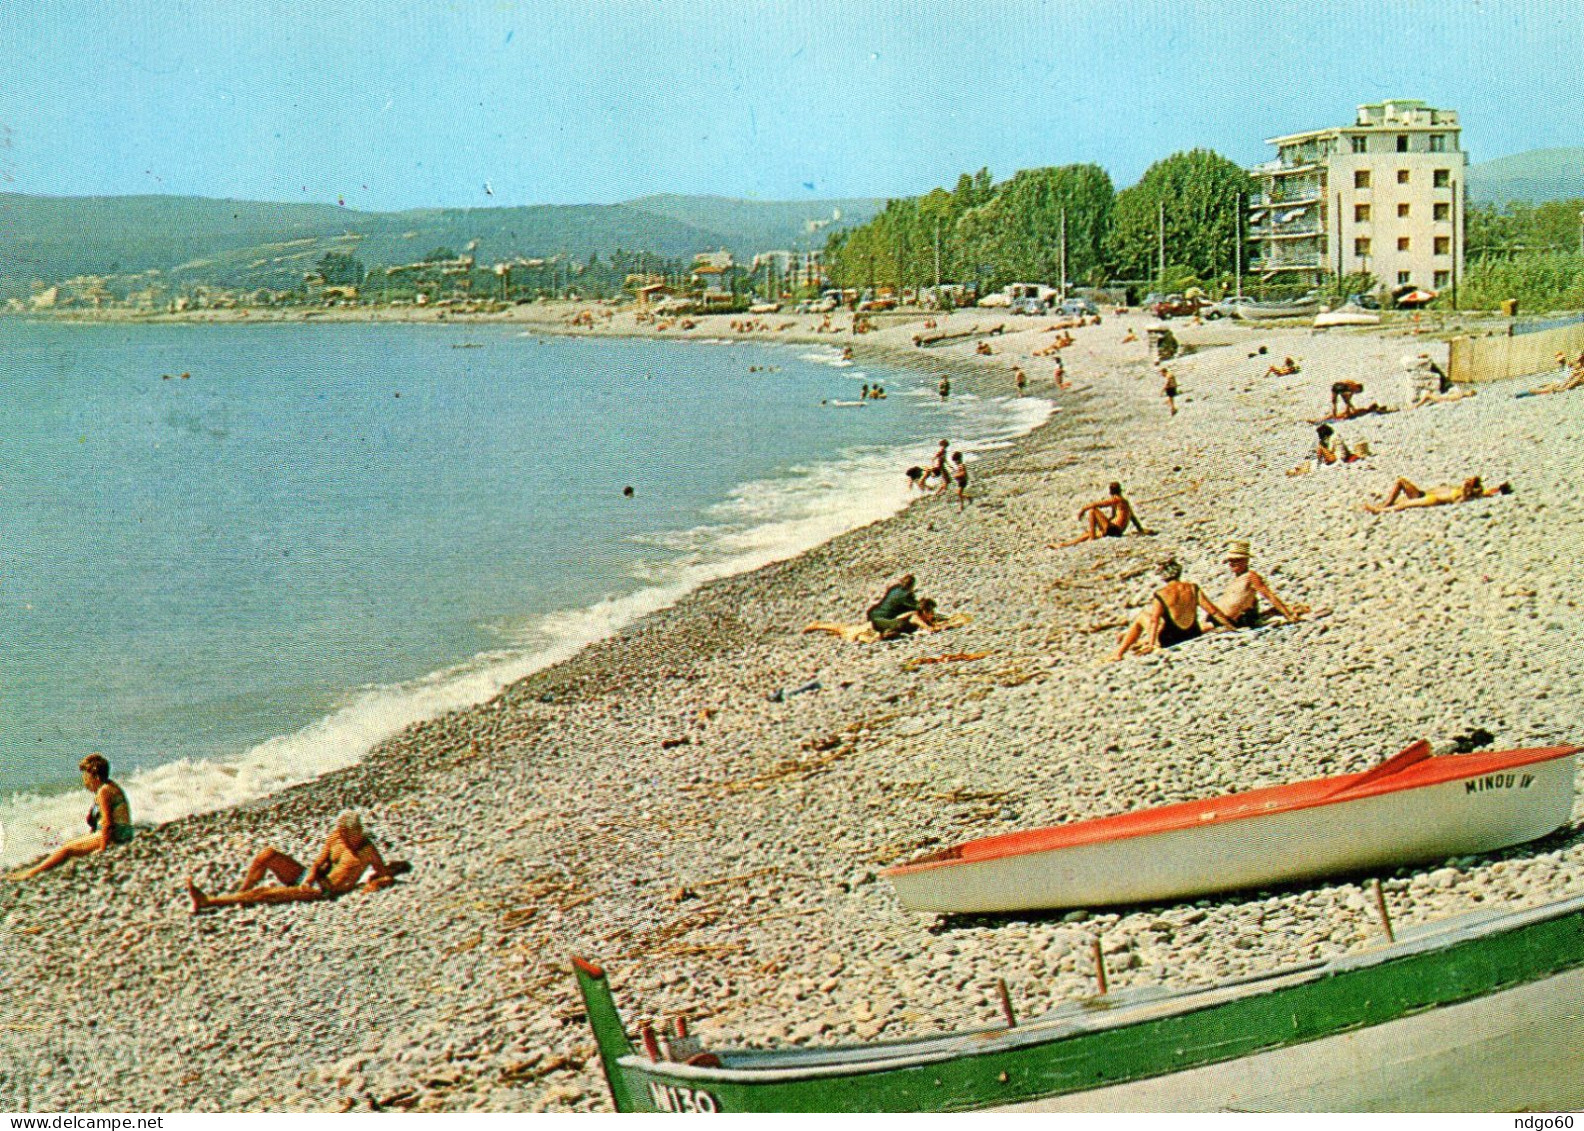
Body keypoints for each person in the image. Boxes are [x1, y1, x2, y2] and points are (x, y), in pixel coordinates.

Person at [186, 811, 407, 913]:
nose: (354, 838)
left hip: (324, 890)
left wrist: (377, 883)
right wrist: (309, 877)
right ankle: (240, 895)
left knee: (264, 893)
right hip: (311, 880)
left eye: (356, 834)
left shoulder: (367, 850)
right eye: (350, 834)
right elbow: (319, 862)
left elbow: (383, 873)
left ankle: (209, 901)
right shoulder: (336, 838)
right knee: (268, 854)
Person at [8, 754, 134, 881]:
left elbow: (107, 823)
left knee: (67, 849)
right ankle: (41, 869)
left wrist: (103, 849)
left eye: (86, 777)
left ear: (95, 777)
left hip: (117, 835)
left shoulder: (104, 791)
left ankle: (31, 873)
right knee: (69, 844)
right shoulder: (108, 787)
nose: (85, 782)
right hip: (120, 833)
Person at [1108, 558, 1238, 661]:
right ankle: (1135, 643)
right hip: (1192, 633)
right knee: (1164, 620)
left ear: (1163, 576)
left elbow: (1154, 620)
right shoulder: (1192, 588)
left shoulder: (1161, 593)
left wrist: (1152, 645)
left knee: (1142, 616)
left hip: (1170, 640)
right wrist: (1231, 626)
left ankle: (1119, 653)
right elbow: (1212, 610)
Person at [1215, 540, 1303, 628]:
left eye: (1236, 560)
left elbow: (1269, 595)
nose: (1231, 563)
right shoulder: (1237, 579)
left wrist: (1288, 615)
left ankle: (1289, 611)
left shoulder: (1250, 576)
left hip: (1225, 622)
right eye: (1230, 560)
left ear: (1246, 560)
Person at [1055, 482, 1150, 546]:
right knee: (1086, 534)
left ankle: (1092, 539)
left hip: (1114, 529)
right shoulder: (1125, 503)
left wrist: (1082, 510)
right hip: (1117, 531)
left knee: (1092, 511)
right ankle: (1063, 545)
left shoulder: (1116, 499)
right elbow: (1134, 519)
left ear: (1110, 492)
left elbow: (1096, 504)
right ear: (1120, 490)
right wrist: (1141, 530)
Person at [1364, 476, 1512, 514]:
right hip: (1423, 493)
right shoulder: (1463, 489)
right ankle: (1385, 504)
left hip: (1431, 499)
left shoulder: (1467, 494)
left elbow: (1460, 501)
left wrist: (1499, 491)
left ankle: (1380, 510)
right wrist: (1499, 488)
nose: (1466, 481)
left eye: (1469, 482)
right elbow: (1491, 491)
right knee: (1401, 482)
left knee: (1403, 505)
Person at [865, 574, 937, 639]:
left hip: (873, 615)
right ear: (912, 585)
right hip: (884, 618)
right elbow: (919, 607)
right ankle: (886, 633)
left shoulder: (894, 589)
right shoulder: (906, 595)